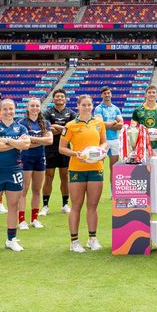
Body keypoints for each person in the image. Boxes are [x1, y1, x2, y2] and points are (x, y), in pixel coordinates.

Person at [0, 99, 30, 256]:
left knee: (13, 206)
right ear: (0, 110)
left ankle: (11, 240)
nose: (9, 112)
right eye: (5, 109)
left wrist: (7, 140)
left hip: (15, 170)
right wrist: (15, 142)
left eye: (11, 109)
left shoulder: (21, 127)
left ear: (15, 110)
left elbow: (25, 145)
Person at [59, 95, 107, 253]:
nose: (87, 107)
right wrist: (76, 153)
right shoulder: (70, 125)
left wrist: (102, 150)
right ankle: (74, 242)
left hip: (96, 168)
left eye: (89, 105)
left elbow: (103, 141)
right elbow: (62, 148)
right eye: (84, 105)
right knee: (76, 206)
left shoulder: (99, 123)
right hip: (77, 170)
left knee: (92, 206)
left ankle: (92, 239)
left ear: (92, 106)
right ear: (78, 106)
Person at [17, 98, 52, 230]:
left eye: (37, 106)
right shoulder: (21, 123)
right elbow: (24, 145)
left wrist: (31, 139)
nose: (35, 108)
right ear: (28, 107)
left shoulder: (45, 123)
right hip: (25, 158)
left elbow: (49, 141)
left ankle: (34, 219)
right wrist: (40, 140)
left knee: (37, 190)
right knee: (24, 189)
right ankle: (21, 220)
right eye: (32, 105)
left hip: (40, 158)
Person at [42, 88, 76, 216]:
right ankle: (45, 206)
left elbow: (72, 130)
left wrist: (58, 128)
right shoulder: (47, 112)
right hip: (49, 148)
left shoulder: (71, 113)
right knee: (49, 176)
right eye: (57, 96)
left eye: (62, 96)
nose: (59, 98)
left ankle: (65, 204)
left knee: (64, 176)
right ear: (53, 98)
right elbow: (46, 127)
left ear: (65, 98)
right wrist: (64, 129)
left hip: (65, 148)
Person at [94, 86, 124, 197]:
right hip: (102, 140)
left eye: (108, 93)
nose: (107, 95)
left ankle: (113, 191)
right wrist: (113, 123)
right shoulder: (98, 109)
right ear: (101, 95)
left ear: (111, 94)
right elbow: (100, 124)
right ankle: (97, 191)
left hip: (115, 140)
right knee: (98, 166)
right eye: (105, 93)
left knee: (114, 167)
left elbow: (120, 125)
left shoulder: (116, 108)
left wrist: (108, 124)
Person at [131, 85, 157, 157]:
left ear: (156, 95)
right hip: (142, 146)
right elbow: (132, 127)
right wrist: (139, 130)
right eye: (149, 92)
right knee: (143, 168)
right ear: (145, 95)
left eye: (153, 92)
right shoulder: (137, 110)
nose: (151, 94)